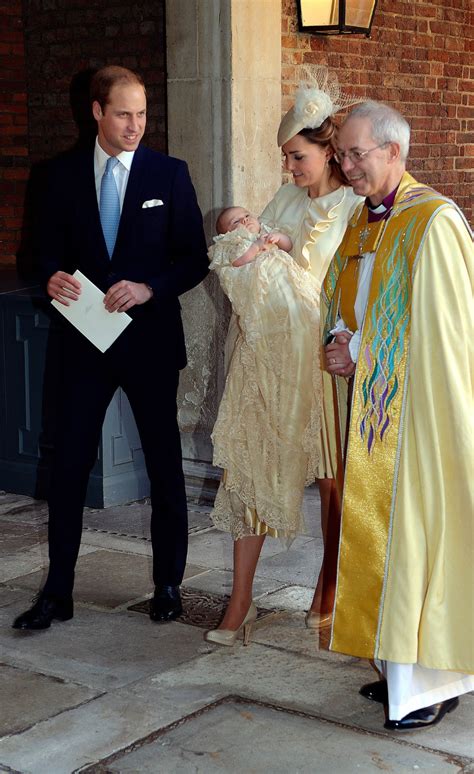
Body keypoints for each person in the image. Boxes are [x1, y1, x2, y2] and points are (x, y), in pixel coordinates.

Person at [13, 65, 208, 631]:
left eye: (142, 114)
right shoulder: (56, 176)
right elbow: (36, 254)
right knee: (68, 466)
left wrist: (150, 288)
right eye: (123, 113)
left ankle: (168, 585)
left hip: (149, 343)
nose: (135, 125)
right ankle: (58, 592)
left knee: (165, 465)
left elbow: (193, 258)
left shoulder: (169, 175)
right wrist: (48, 276)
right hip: (81, 343)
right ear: (96, 111)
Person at [321, 100, 473, 730]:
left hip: (418, 420)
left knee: (413, 542)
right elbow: (346, 293)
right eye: (343, 154)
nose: (348, 166)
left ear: (394, 152)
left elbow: (443, 332)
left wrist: (361, 352)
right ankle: (396, 673)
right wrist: (338, 336)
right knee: (379, 541)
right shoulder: (365, 219)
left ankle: (429, 685)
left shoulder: (433, 221)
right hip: (375, 410)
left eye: (358, 153)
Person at [205, 66, 363, 646]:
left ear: (327, 152)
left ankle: (331, 587)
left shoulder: (352, 204)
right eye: (286, 158)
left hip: (324, 361)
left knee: (333, 483)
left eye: (298, 157)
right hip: (275, 356)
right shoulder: (285, 197)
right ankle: (240, 601)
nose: (289, 168)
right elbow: (252, 249)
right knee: (250, 470)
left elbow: (331, 277)